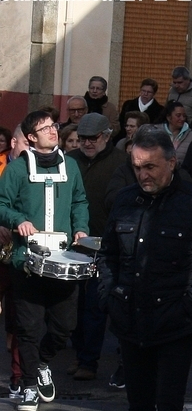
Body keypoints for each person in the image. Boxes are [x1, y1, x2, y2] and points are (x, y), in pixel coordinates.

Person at [98, 127, 192, 411]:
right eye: (137, 168)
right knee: (138, 403)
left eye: (150, 167)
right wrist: (109, 297)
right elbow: (108, 254)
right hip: (129, 320)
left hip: (174, 326)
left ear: (171, 163)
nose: (143, 175)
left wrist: (189, 306)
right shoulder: (126, 200)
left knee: (168, 403)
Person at [0, 110, 90, 411]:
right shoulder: (16, 169)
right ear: (30, 137)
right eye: (44, 128)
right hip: (26, 260)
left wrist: (81, 227)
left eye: (54, 126)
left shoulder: (72, 166)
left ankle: (42, 363)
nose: (53, 130)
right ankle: (27, 385)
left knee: (65, 326)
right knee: (28, 328)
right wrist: (18, 220)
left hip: (63, 259)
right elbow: (1, 204)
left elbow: (79, 200)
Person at [65, 114, 127, 382]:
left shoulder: (121, 164)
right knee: (73, 305)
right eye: (83, 139)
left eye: (93, 138)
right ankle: (81, 355)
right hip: (72, 242)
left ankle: (88, 361)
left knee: (94, 306)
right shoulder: (71, 162)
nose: (87, 143)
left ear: (106, 135)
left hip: (105, 243)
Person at [0, 124, 30, 400]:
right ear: (13, 143)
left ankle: (18, 376)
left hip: (19, 254)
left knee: (19, 318)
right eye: (25, 143)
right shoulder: (4, 167)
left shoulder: (35, 171)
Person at [162, 101, 192, 166]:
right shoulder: (157, 132)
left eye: (184, 116)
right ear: (169, 117)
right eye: (178, 115)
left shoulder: (191, 136)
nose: (182, 118)